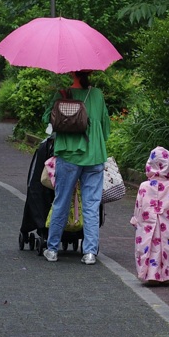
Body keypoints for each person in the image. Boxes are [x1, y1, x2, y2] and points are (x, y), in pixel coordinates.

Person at [43, 70, 110, 265]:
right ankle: (89, 252)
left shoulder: (62, 94)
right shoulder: (96, 95)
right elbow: (105, 128)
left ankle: (53, 249)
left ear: (71, 72)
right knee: (91, 205)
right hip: (95, 155)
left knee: (61, 201)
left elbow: (47, 120)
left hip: (68, 155)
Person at [130, 146, 169, 284]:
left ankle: (149, 275)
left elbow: (138, 206)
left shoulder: (143, 186)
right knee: (168, 248)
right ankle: (165, 276)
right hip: (168, 224)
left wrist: (136, 221)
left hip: (146, 225)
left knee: (148, 248)